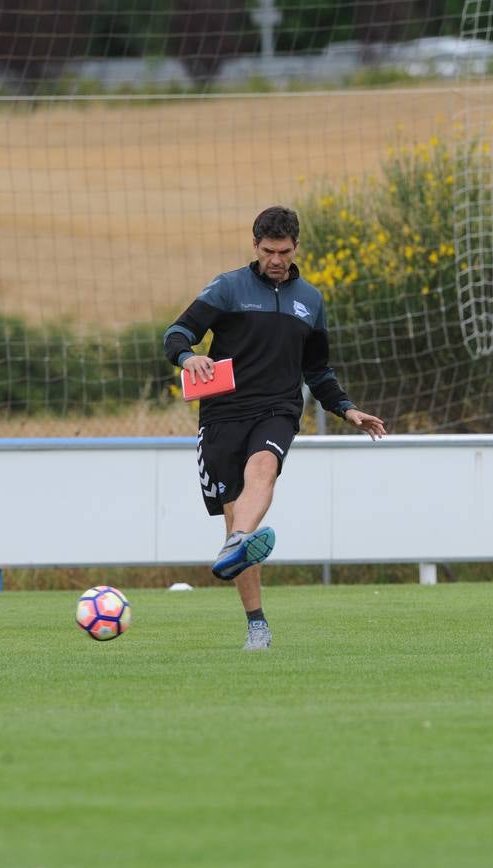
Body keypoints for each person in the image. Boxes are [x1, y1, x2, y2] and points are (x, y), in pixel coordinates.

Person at [163, 206, 387, 651]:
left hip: (279, 408)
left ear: (296, 247)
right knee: (234, 514)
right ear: (255, 246)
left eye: (284, 251)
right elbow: (177, 333)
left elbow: (318, 370)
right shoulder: (228, 288)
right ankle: (256, 622)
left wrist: (347, 409)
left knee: (264, 468)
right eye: (268, 251)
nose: (276, 260)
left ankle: (240, 541)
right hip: (223, 413)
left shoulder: (312, 300)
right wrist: (190, 357)